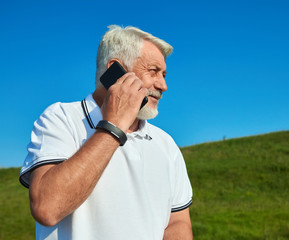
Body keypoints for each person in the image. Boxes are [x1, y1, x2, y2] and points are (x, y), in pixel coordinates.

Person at [19, 25, 193, 240]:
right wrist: (114, 124)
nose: (163, 85)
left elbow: (177, 222)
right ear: (115, 70)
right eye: (153, 71)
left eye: (164, 74)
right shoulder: (61, 117)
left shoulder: (166, 144)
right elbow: (47, 208)